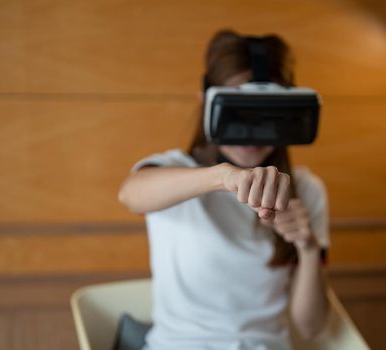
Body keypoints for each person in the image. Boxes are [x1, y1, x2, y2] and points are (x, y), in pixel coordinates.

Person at [118, 29, 330, 350]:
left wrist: (308, 247)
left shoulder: (306, 190)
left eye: (267, 114)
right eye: (239, 111)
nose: (252, 133)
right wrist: (220, 178)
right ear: (206, 103)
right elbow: (131, 193)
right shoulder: (176, 173)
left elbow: (311, 327)